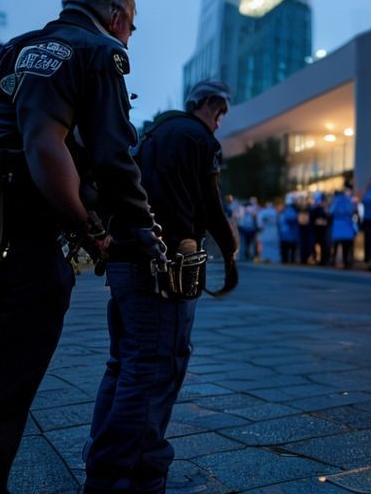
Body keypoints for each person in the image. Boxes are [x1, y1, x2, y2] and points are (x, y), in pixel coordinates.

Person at [0, 0, 166, 492]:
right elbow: (110, 157)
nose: (129, 38)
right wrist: (124, 229)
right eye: (131, 28)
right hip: (28, 242)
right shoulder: (100, 52)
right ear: (117, 17)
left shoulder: (7, 52)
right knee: (1, 395)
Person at [85, 79, 239, 492]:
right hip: (163, 266)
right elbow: (211, 204)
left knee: (124, 365)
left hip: (125, 258)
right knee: (154, 370)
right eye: (220, 112)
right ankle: (132, 477)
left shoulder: (153, 132)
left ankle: (102, 464)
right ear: (209, 103)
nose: (219, 122)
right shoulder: (198, 138)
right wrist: (230, 246)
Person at [329, 184, 357, 269]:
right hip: (347, 225)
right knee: (346, 246)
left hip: (337, 225)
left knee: (336, 244)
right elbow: (352, 211)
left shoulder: (336, 200)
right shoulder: (349, 201)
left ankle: (333, 261)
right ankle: (346, 262)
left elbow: (331, 211)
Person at [309, 192, 330, 265]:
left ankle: (321, 260)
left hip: (321, 231)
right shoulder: (316, 209)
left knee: (322, 245)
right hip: (317, 230)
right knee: (317, 245)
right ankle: (317, 259)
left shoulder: (324, 210)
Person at [278, 195, 299, 263]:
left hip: (285, 234)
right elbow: (291, 219)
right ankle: (289, 261)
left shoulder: (285, 210)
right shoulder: (291, 210)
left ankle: (286, 261)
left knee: (286, 251)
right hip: (290, 234)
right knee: (291, 251)